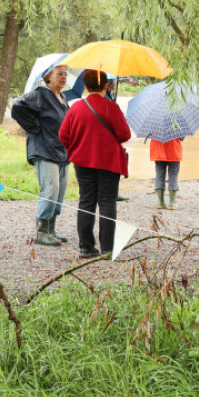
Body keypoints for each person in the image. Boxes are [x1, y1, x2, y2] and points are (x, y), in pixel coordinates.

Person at [59, 69, 132, 259]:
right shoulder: (112, 108)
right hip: (109, 162)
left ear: (85, 86)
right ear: (107, 85)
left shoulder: (75, 108)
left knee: (86, 201)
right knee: (107, 202)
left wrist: (75, 149)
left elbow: (63, 135)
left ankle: (86, 247)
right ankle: (107, 248)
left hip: (82, 162)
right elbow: (125, 135)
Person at [10, 63, 71, 247]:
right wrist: (34, 127)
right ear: (48, 77)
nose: (63, 77)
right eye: (59, 74)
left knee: (60, 192)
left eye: (65, 74)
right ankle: (42, 231)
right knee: (50, 189)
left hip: (62, 150)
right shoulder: (40, 94)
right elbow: (17, 107)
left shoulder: (63, 97)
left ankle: (51, 229)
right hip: (44, 150)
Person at [149, 138, 183, 209]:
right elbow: (181, 137)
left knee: (159, 174)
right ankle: (172, 203)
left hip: (158, 149)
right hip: (173, 149)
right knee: (173, 174)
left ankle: (160, 202)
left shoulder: (155, 126)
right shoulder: (178, 126)